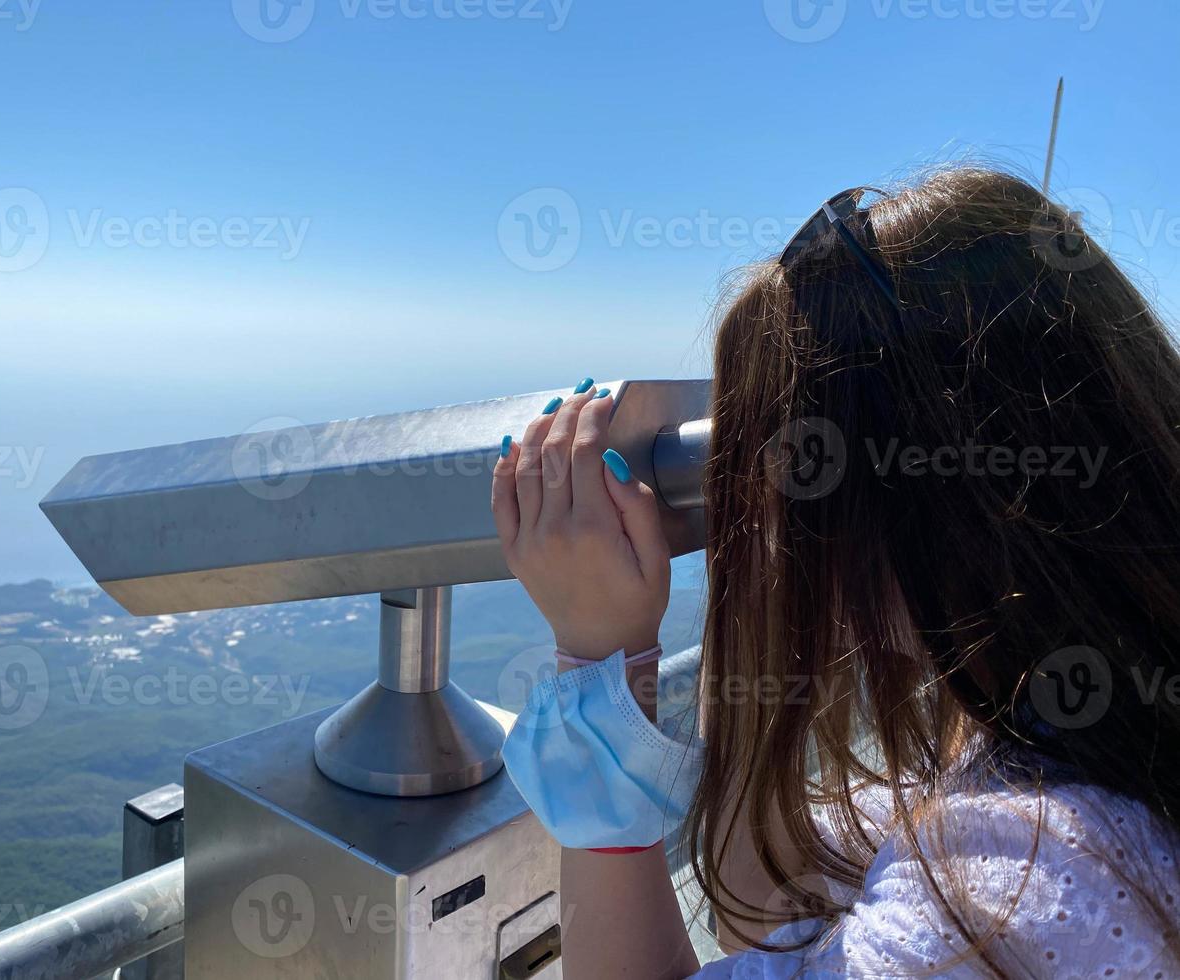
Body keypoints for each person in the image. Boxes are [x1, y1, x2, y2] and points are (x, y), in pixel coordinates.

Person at [491, 168, 1180, 978]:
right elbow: (768, 906)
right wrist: (758, 581)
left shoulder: (1017, 891)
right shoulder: (1069, 742)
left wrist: (599, 658)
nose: (772, 518)